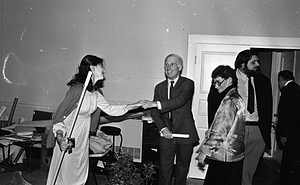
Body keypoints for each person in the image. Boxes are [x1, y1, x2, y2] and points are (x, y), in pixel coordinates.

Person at [45, 55, 141, 185]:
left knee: (79, 174)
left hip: (83, 138)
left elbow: (111, 109)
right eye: (102, 66)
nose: (104, 70)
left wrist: (136, 105)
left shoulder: (95, 93)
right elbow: (61, 116)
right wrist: (61, 138)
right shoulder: (78, 89)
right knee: (66, 175)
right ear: (92, 68)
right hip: (70, 136)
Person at [141, 54, 199, 185]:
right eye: (166, 64)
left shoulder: (188, 84)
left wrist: (155, 103)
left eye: (172, 64)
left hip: (185, 133)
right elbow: (155, 113)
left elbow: (179, 101)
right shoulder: (159, 87)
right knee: (164, 169)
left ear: (180, 67)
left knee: (182, 169)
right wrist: (163, 128)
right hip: (166, 134)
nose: (168, 67)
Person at [196, 65, 246, 185]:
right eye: (214, 83)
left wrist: (205, 151)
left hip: (224, 154)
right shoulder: (237, 98)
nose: (216, 86)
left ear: (229, 80)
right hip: (234, 154)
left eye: (218, 82)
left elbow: (220, 130)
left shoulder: (229, 101)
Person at [234, 50, 273, 185]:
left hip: (257, 131)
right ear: (242, 65)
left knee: (249, 170)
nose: (257, 64)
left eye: (258, 61)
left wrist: (266, 134)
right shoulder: (229, 79)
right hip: (236, 130)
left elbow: (268, 109)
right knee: (232, 168)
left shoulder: (264, 81)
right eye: (253, 62)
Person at [276, 70, 300, 185]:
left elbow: (284, 114)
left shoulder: (286, 91)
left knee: (287, 161)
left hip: (289, 134)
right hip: (297, 133)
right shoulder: (298, 89)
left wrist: (283, 134)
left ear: (281, 79)